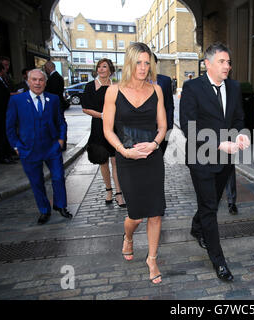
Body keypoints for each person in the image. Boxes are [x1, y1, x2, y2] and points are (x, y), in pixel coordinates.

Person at [180, 42, 250, 282]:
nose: (227, 66)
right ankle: (219, 261)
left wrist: (241, 133)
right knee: (210, 208)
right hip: (201, 157)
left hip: (225, 159)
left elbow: (239, 117)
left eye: (229, 62)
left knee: (211, 202)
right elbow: (189, 126)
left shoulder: (234, 87)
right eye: (222, 61)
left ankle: (196, 226)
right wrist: (220, 144)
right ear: (207, 64)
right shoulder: (192, 88)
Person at [103, 43, 167, 284]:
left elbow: (162, 126)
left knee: (156, 212)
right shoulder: (113, 91)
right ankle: (128, 237)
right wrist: (123, 152)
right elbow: (107, 130)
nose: (143, 67)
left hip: (152, 158)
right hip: (127, 160)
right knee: (136, 216)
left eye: (147, 62)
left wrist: (155, 144)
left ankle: (152, 258)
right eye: (138, 62)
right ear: (129, 63)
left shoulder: (157, 90)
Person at [6, 69, 72, 225]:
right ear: (28, 82)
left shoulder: (53, 99)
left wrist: (61, 140)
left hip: (51, 148)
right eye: (34, 80)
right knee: (36, 182)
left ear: (45, 82)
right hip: (28, 149)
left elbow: (61, 121)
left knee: (58, 177)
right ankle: (44, 210)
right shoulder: (17, 101)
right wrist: (16, 146)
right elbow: (10, 126)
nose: (37, 83)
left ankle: (60, 205)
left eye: (41, 80)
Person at [82, 58, 126, 208]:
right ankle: (108, 190)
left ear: (111, 70)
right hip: (98, 126)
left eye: (104, 67)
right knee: (103, 161)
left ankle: (119, 193)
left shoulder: (117, 87)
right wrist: (102, 115)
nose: (101, 69)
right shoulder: (89, 86)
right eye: (99, 67)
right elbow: (85, 108)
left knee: (116, 161)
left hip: (115, 127)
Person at [0, 62, 16, 164]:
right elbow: (0, 98)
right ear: (1, 70)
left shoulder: (1, 80)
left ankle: (8, 154)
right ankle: (4, 157)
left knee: (6, 133)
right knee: (3, 135)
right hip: (1, 113)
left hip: (3, 112)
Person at [44, 61, 68, 151]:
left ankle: (61, 143)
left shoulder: (55, 78)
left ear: (49, 67)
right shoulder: (56, 77)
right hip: (57, 104)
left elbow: (52, 93)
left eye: (45, 68)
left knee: (59, 124)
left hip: (56, 105)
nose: (45, 70)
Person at [153, 54, 174, 154]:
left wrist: (169, 125)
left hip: (163, 127)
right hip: (145, 128)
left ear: (155, 63)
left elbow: (169, 104)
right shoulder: (137, 82)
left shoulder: (165, 80)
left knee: (160, 155)